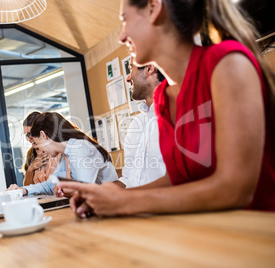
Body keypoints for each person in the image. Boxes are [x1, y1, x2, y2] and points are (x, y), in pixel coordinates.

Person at [59, 0, 275, 218]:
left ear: (154, 8)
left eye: (125, 20)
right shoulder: (163, 98)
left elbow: (236, 189)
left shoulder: (227, 63)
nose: (121, 36)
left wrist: (125, 201)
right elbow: (177, 179)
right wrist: (104, 196)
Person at [8, 112, 118, 196]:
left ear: (43, 135)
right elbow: (50, 184)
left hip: (111, 206)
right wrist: (24, 190)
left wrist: (64, 187)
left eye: (37, 143)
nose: (39, 149)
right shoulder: (65, 154)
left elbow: (84, 190)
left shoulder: (80, 148)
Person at [115, 58, 166, 188]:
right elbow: (128, 179)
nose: (128, 78)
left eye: (131, 68)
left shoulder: (174, 113)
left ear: (149, 68)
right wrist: (97, 191)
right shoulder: (136, 124)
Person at [22, 111, 61, 186]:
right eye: (27, 135)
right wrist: (31, 169)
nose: (28, 139)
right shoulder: (31, 154)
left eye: (31, 134)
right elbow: (27, 188)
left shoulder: (58, 151)